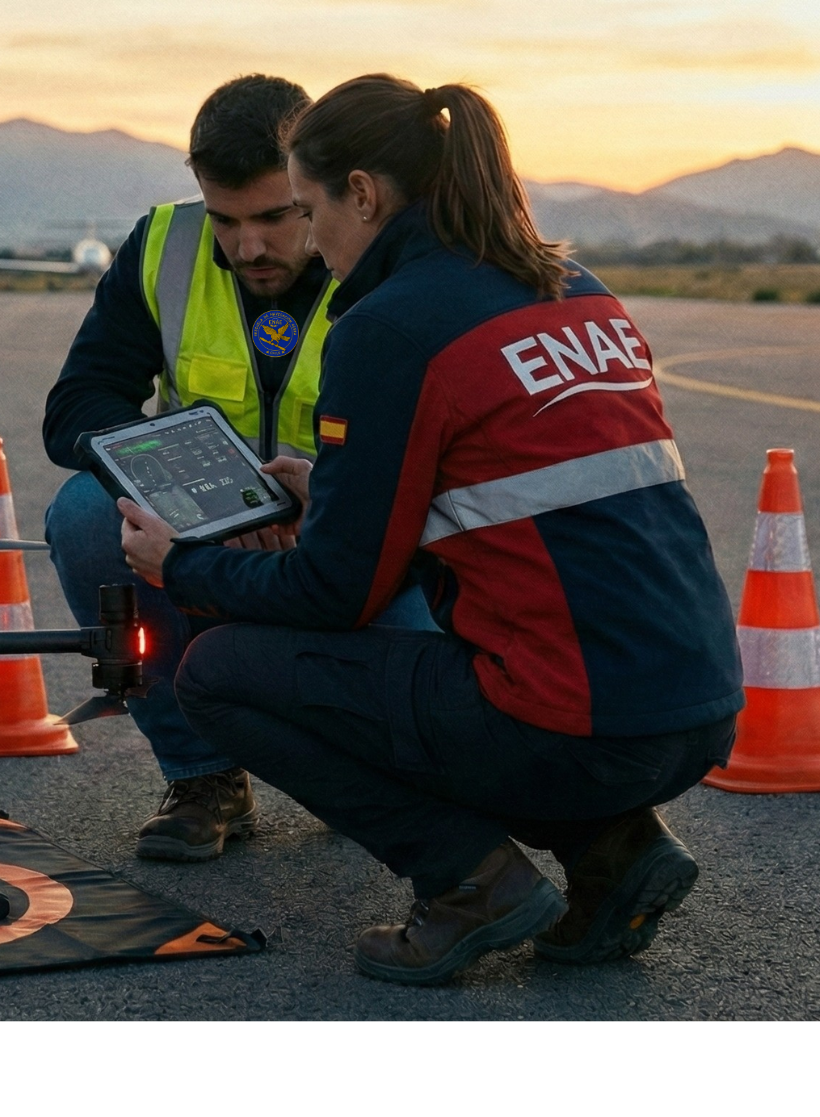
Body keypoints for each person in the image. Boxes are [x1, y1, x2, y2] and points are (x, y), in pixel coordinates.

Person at [119, 74, 744, 985]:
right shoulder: (574, 287)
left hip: (578, 725)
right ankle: (614, 853)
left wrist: (182, 566)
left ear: (362, 194)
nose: (303, 236)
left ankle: (469, 882)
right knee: (490, 667)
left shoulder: (386, 326)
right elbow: (508, 489)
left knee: (219, 674)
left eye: (305, 207)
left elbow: (335, 592)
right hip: (697, 707)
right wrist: (332, 485)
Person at [42, 74, 437, 865]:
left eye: (274, 216)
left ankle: (368, 766)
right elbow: (77, 407)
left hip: (352, 525)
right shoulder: (164, 245)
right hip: (208, 526)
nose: (247, 245)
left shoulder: (391, 258)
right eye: (225, 219)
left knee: (431, 673)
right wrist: (206, 492)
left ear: (319, 190)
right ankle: (204, 775)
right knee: (85, 514)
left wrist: (318, 502)